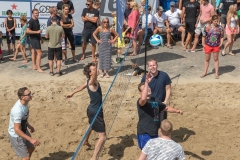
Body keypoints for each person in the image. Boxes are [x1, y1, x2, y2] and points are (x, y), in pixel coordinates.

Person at [66, 62, 106, 160]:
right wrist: (96, 65)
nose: (96, 70)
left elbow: (80, 87)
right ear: (90, 73)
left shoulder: (88, 81)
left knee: (91, 125)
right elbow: (94, 77)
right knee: (103, 136)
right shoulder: (93, 82)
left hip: (90, 109)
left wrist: (72, 93)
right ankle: (94, 158)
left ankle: (85, 140)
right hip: (96, 111)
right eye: (93, 70)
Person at [137, 77, 183, 149]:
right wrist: (146, 83)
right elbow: (143, 99)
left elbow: (165, 107)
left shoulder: (155, 99)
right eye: (145, 88)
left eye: (148, 87)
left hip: (155, 133)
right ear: (141, 93)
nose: (148, 89)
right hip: (145, 133)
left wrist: (176, 110)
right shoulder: (141, 102)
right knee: (147, 154)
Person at [8, 87, 40, 160]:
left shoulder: (25, 103)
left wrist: (29, 125)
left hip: (23, 129)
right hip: (16, 135)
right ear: (22, 97)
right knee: (26, 157)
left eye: (30, 93)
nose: (31, 95)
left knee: (31, 147)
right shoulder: (17, 110)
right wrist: (31, 139)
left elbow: (23, 117)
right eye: (29, 94)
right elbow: (16, 129)